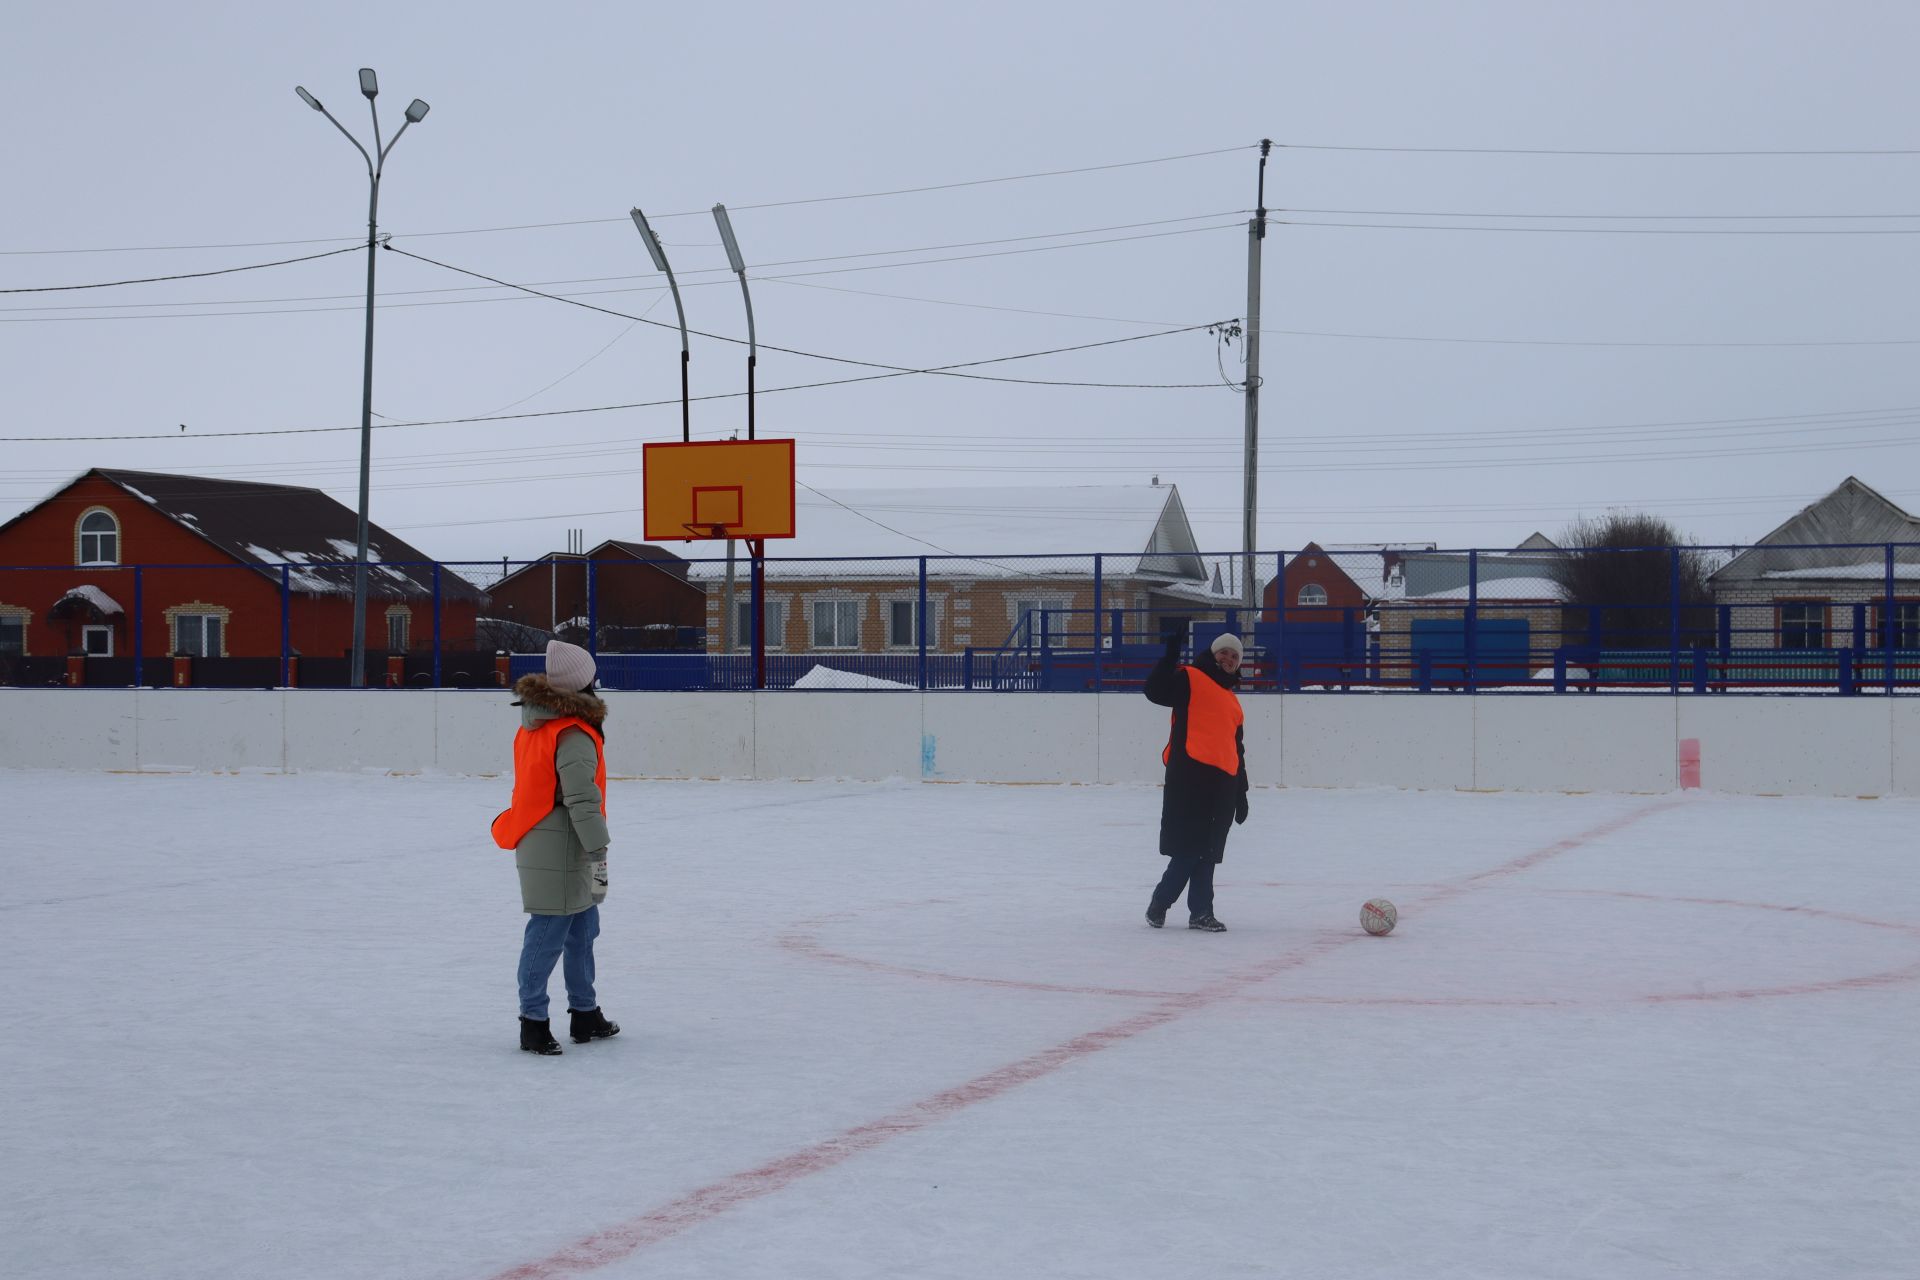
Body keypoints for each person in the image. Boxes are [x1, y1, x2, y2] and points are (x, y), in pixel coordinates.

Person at [491, 639, 620, 1055]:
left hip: (557, 839)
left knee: (583, 930)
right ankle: (533, 1020)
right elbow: (582, 799)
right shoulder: (572, 732)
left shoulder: (544, 722)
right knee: (547, 933)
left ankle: (584, 1013)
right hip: (558, 845)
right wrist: (600, 850)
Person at [1143, 627, 1248, 932]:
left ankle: (1201, 912)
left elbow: (1237, 749)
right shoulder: (1190, 677)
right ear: (1213, 655)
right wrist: (1170, 656)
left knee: (1209, 853)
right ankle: (1160, 903)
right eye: (1223, 652)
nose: (1228, 658)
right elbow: (1156, 691)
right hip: (1191, 776)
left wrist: (1241, 792)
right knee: (1189, 849)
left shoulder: (1232, 702)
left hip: (1224, 783)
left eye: (1234, 656)